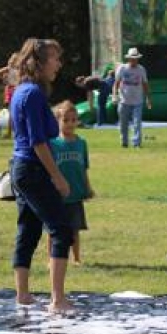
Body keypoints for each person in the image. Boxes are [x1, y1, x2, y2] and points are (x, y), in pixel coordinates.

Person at [8, 38, 75, 314]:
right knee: (61, 229)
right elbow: (38, 141)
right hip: (33, 170)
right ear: (39, 62)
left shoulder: (21, 90)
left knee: (29, 230)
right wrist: (57, 177)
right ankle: (58, 300)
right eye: (54, 58)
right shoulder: (33, 93)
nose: (58, 64)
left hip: (20, 168)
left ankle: (23, 295)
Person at [50, 101, 95, 265]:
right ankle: (51, 259)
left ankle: (76, 258)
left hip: (75, 194)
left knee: (74, 229)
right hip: (57, 195)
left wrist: (88, 188)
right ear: (58, 121)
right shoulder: (53, 144)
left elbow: (84, 168)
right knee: (54, 230)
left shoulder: (81, 143)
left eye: (74, 120)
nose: (70, 124)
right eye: (66, 120)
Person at [112, 47, 152, 147]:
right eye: (132, 58)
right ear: (128, 59)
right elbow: (116, 83)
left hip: (137, 102)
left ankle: (136, 143)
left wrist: (148, 98)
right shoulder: (122, 68)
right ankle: (124, 142)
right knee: (123, 125)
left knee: (137, 123)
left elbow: (145, 84)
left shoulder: (141, 69)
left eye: (136, 58)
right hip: (124, 101)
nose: (134, 60)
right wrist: (114, 95)